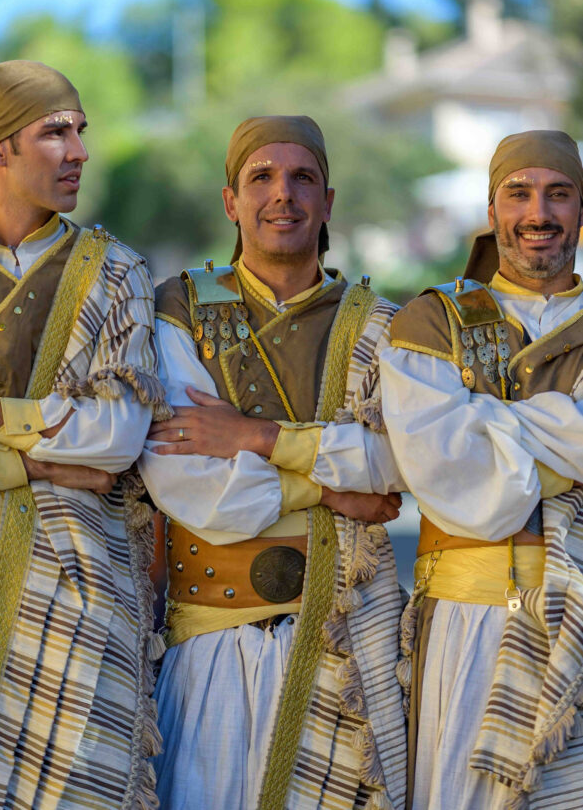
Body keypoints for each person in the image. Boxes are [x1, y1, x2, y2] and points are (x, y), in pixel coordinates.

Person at [177, 128, 583, 809]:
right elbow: (451, 484)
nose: (537, 213)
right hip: (463, 624)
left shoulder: (388, 321)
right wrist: (558, 447)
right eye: (518, 193)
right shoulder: (432, 322)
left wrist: (485, 426)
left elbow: (431, 465)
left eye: (558, 194)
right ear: (491, 211)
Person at [139, 115, 408, 810]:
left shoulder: (379, 325)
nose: (282, 193)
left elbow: (396, 465)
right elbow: (190, 486)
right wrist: (331, 490)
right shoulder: (178, 308)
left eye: (302, 178)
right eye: (261, 177)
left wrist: (255, 437)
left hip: (344, 643)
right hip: (210, 644)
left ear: (328, 201)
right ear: (231, 201)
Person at [0, 60, 165, 809]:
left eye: (81, 132)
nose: (80, 152)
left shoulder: (117, 272)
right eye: (54, 133)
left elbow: (118, 436)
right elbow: (84, 446)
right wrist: (38, 465)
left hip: (81, 599)